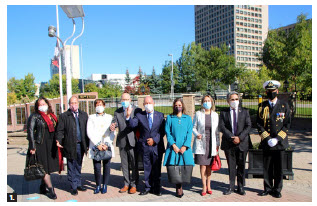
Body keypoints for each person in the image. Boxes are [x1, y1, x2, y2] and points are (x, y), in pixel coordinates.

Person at [126, 96, 165, 196]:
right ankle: (147, 187)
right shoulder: (139, 115)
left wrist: (155, 140)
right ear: (143, 105)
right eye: (146, 103)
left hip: (156, 146)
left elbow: (162, 131)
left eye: (150, 102)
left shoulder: (160, 115)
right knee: (147, 168)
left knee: (156, 168)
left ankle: (156, 188)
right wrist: (128, 116)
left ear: (153, 103)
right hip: (144, 147)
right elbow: (132, 125)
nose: (148, 105)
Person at [257, 80, 290, 198]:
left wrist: (277, 139)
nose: (271, 93)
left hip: (279, 143)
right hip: (267, 142)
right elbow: (259, 124)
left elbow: (287, 124)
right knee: (267, 167)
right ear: (266, 92)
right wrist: (267, 138)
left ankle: (277, 189)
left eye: (273, 91)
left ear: (277, 91)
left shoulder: (284, 105)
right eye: (269, 91)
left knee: (279, 168)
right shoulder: (262, 106)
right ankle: (267, 188)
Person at [27, 97, 60, 199]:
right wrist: (32, 147)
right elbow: (30, 132)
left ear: (47, 104)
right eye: (40, 105)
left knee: (47, 168)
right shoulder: (34, 116)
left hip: (51, 145)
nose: (42, 106)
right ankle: (51, 189)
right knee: (44, 168)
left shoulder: (52, 115)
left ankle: (42, 187)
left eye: (43, 104)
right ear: (37, 107)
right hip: (40, 145)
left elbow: (57, 129)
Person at [219, 91, 252, 196]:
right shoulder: (224, 113)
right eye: (232, 99)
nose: (234, 101)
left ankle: (241, 186)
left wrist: (240, 137)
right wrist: (232, 137)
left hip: (242, 143)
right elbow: (222, 126)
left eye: (236, 99)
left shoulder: (245, 112)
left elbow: (248, 125)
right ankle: (231, 186)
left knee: (241, 165)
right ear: (228, 101)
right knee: (231, 166)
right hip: (229, 143)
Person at [56, 96, 89, 196]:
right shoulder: (64, 116)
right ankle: (73, 186)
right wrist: (58, 140)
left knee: (78, 165)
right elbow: (60, 130)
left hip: (81, 144)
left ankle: (78, 183)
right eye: (71, 103)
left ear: (78, 103)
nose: (73, 104)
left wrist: (87, 144)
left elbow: (87, 129)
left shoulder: (84, 115)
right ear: (69, 104)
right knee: (71, 165)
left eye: (75, 102)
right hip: (70, 144)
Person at [110, 93, 141, 194]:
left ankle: (134, 184)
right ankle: (126, 184)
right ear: (120, 100)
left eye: (127, 99)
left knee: (134, 164)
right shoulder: (117, 112)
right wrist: (113, 126)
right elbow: (115, 122)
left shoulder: (137, 110)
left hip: (133, 140)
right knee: (124, 164)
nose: (125, 101)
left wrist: (129, 116)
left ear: (131, 100)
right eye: (123, 99)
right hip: (122, 141)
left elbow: (137, 125)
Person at [163, 98, 195, 198]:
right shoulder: (170, 118)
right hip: (174, 147)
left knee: (183, 165)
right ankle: (178, 187)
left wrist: (185, 145)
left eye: (180, 105)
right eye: (176, 105)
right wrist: (173, 145)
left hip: (185, 147)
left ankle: (181, 184)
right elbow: (168, 132)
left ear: (183, 106)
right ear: (174, 106)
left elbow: (189, 133)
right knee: (174, 166)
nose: (178, 107)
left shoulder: (188, 118)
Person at [192, 95, 220, 196]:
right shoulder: (198, 114)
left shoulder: (215, 115)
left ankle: (209, 185)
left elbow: (217, 131)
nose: (207, 102)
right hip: (201, 142)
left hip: (211, 143)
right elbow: (193, 127)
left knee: (209, 166)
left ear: (212, 102)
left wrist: (218, 144)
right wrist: (196, 134)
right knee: (203, 165)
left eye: (208, 101)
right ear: (202, 103)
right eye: (205, 101)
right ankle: (204, 186)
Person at [87, 99, 115, 194]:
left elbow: (112, 131)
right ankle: (98, 185)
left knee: (107, 166)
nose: (99, 106)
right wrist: (98, 144)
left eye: (101, 104)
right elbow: (89, 132)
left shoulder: (109, 117)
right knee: (97, 167)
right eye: (97, 105)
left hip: (106, 145)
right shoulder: (91, 117)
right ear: (95, 107)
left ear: (104, 106)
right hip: (96, 146)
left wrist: (107, 144)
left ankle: (105, 185)